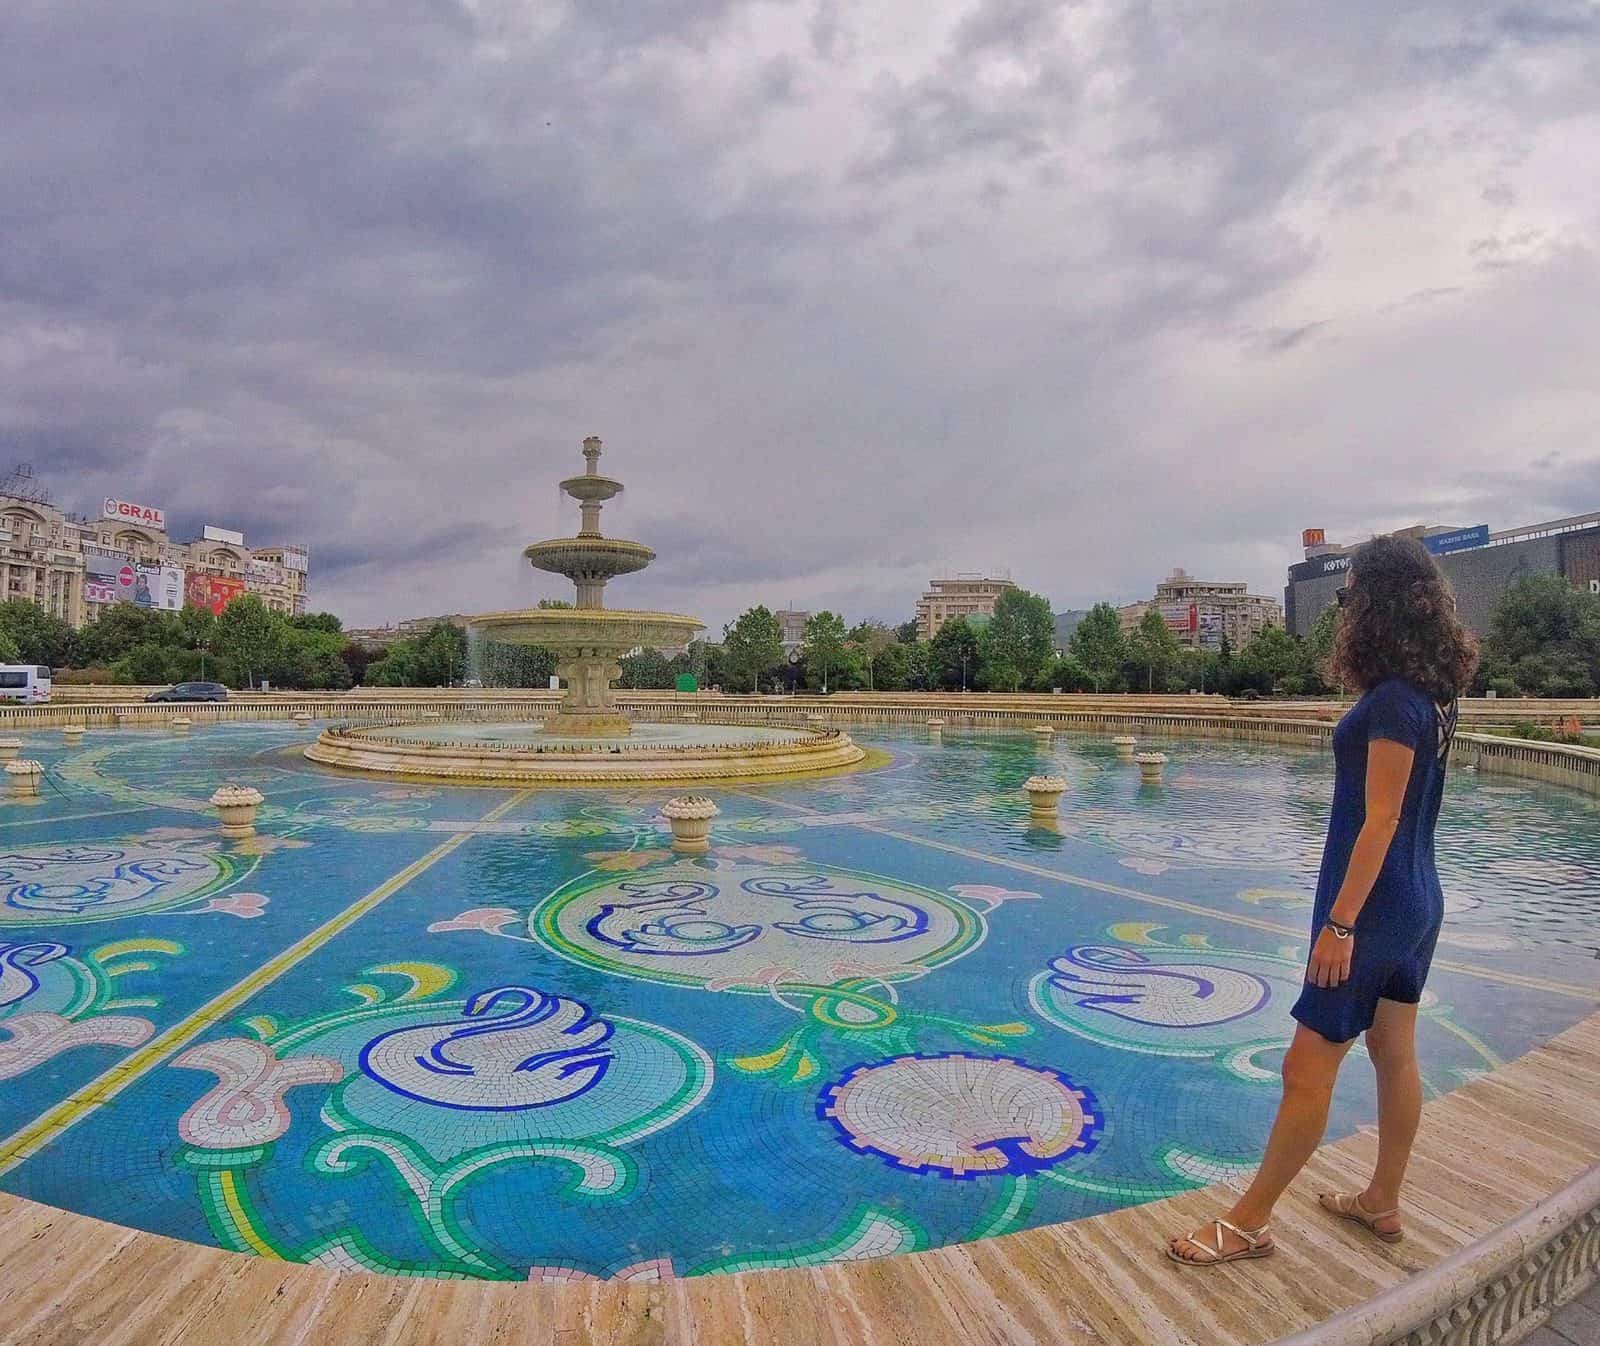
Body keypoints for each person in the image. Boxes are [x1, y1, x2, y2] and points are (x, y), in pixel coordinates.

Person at [1168, 535, 1478, 1266]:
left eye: (1349, 597)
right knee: (1394, 1051)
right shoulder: (1426, 694)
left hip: (1370, 907)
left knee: (1306, 1068)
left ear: (1373, 603)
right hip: (1416, 899)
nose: (1346, 610)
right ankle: (1381, 1200)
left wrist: (1340, 923)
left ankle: (1247, 1223)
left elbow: (1382, 818)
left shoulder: (1397, 702)